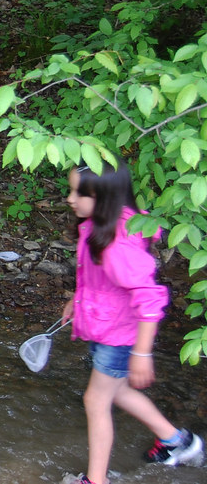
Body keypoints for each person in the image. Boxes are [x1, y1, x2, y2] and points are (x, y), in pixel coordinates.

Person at [63, 161, 204, 484]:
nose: (71, 199)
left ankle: (95, 480)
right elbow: (101, 281)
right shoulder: (99, 226)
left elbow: (150, 298)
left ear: (105, 197)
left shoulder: (116, 246)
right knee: (119, 391)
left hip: (120, 335)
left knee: (95, 400)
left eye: (79, 193)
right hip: (108, 324)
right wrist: (77, 299)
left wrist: (142, 352)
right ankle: (176, 442)